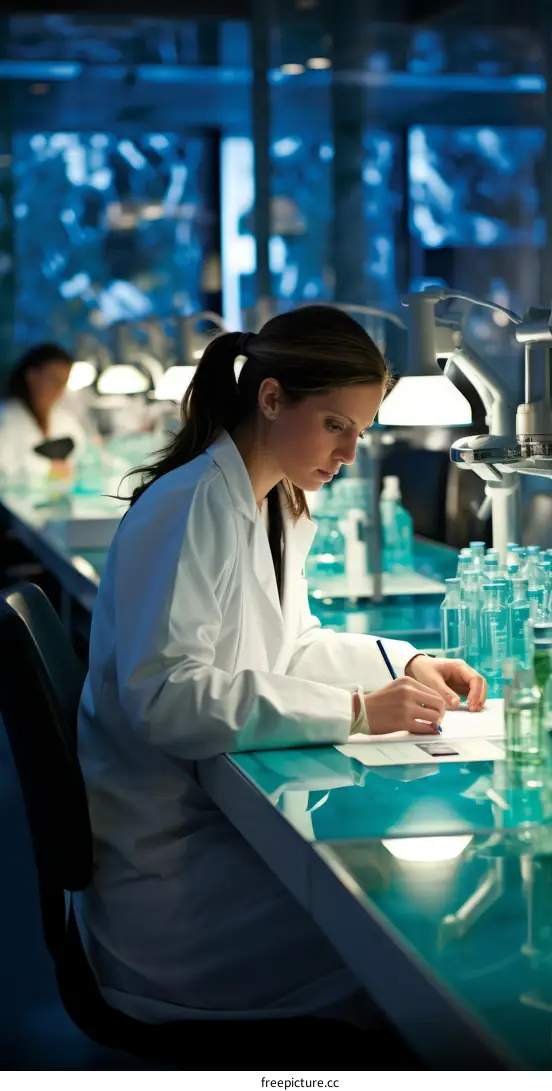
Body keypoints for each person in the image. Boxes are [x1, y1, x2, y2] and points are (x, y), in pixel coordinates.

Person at [77, 305, 487, 1033]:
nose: (349, 452)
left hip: (206, 831)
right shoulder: (192, 503)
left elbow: (291, 646)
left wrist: (408, 662)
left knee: (401, 907)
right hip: (174, 888)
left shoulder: (272, 502)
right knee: (418, 946)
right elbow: (166, 698)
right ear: (271, 398)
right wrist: (357, 712)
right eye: (335, 425)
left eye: (360, 432)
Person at [0, 342, 86, 482]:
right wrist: (48, 470)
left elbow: (84, 458)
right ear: (32, 376)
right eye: (54, 381)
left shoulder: (64, 419)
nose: (58, 390)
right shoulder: (5, 419)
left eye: (63, 383)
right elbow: (6, 468)